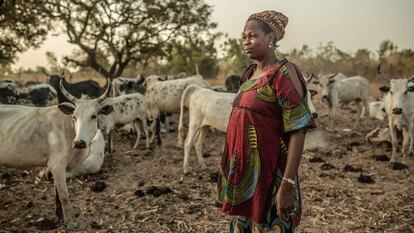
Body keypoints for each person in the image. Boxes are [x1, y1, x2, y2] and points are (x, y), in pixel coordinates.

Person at [216, 10, 316, 233]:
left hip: (271, 177)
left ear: (270, 38)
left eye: (252, 36)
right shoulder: (249, 73)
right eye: (244, 37)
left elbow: (298, 132)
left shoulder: (284, 74)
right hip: (244, 175)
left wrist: (287, 185)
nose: (246, 42)